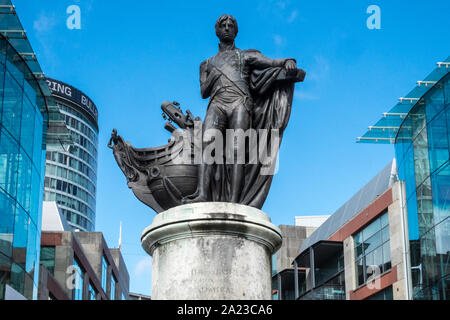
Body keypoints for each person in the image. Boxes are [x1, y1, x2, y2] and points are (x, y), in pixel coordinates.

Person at [183, 14, 297, 204]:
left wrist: (288, 61)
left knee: (237, 150)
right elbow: (204, 92)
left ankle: (235, 201)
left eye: (231, 25)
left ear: (236, 31)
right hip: (217, 102)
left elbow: (272, 62)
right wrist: (214, 73)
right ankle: (202, 194)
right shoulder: (206, 64)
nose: (227, 27)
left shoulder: (246, 55)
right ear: (217, 31)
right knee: (208, 145)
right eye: (223, 25)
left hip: (240, 102)